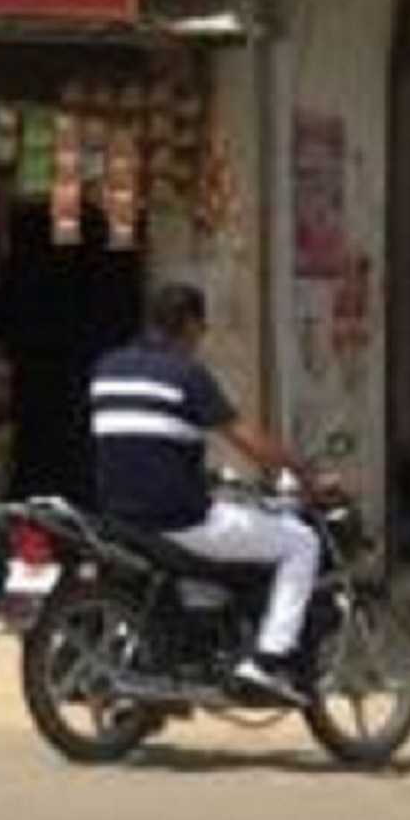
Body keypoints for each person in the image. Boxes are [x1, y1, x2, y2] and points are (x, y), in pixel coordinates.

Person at [89, 282, 320, 706]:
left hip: (119, 516)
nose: (202, 336)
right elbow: (244, 438)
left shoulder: (107, 368)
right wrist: (305, 472)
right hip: (179, 520)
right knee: (301, 542)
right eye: (202, 327)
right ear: (190, 325)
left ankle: (197, 643)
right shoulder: (186, 374)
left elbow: (143, 443)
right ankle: (268, 661)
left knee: (221, 529)